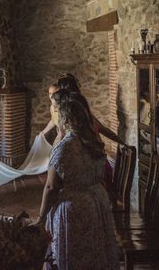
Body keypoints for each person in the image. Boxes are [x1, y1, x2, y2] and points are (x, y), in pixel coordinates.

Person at [36, 90, 119, 270]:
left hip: (74, 206)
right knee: (95, 253)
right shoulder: (93, 141)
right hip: (97, 201)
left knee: (74, 255)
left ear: (65, 120)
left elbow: (51, 186)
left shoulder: (64, 147)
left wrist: (41, 217)